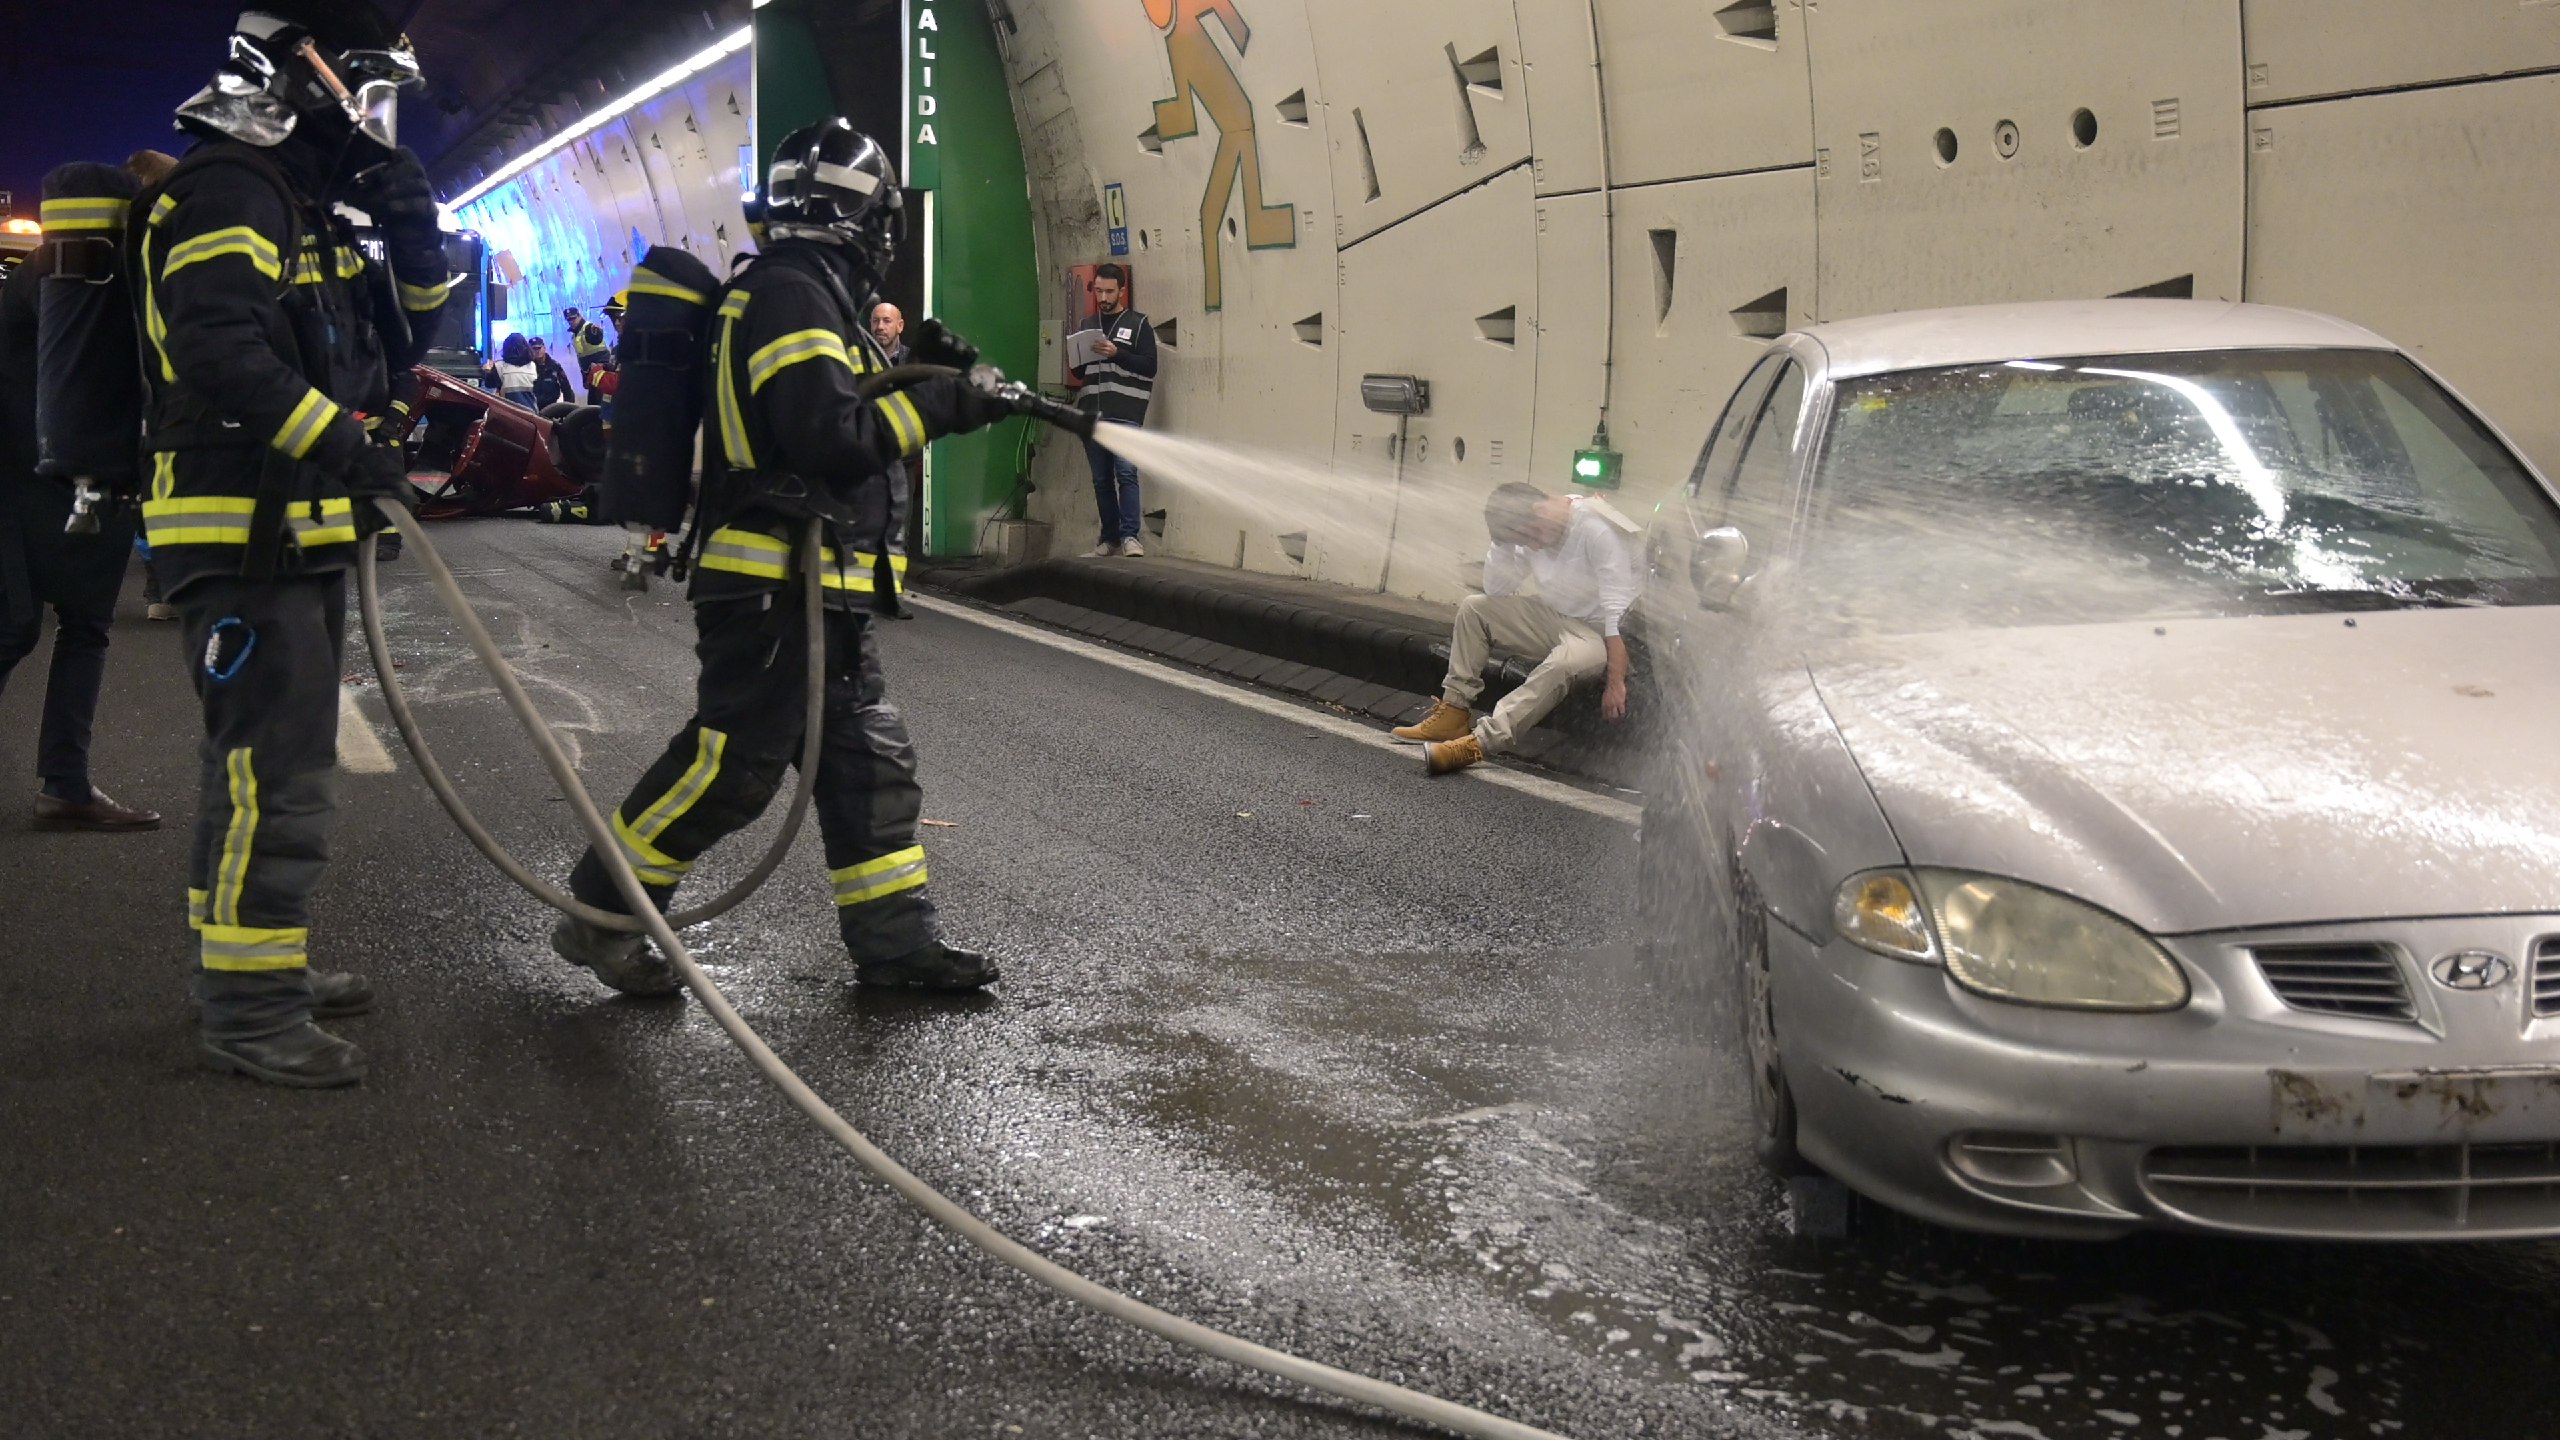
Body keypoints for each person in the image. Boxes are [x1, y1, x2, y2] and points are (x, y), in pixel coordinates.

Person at [550, 119, 1013, 997]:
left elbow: (828, 410)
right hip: (774, 588)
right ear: (866, 220)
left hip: (818, 590)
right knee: (732, 768)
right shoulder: (792, 294)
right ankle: (601, 912)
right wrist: (947, 408)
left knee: (867, 764)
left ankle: (895, 943)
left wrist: (920, 372)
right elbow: (826, 437)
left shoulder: (805, 293)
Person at [137, 2, 449, 1087]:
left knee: (263, 768)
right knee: (273, 772)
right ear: (304, 74)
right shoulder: (231, 187)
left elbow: (402, 341)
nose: (370, 115)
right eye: (365, 89)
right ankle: (249, 1007)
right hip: (241, 529)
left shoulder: (302, 200)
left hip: (292, 526)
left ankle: (245, 960)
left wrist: (414, 229)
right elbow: (217, 346)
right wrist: (344, 443)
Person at [0, 154, 167, 831]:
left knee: (77, 627)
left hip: (75, 475)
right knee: (22, 627)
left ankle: (66, 786)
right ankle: (65, 785)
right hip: (27, 474)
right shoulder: (73, 273)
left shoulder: (99, 276)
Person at [1393, 482, 1640, 775]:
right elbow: (1497, 589)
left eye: (1530, 536)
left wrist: (1616, 682)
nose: (1532, 546)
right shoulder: (1531, 530)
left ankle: (1480, 742)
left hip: (1597, 631)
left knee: (1566, 662)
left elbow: (1617, 614)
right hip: (1552, 614)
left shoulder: (1597, 529)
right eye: (1523, 541)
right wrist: (1503, 542)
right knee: (1475, 608)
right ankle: (1454, 712)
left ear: (1540, 510)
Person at [1069, 263, 1155, 557]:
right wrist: (1075, 354)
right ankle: (1110, 538)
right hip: (1092, 414)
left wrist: (1117, 354)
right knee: (1101, 480)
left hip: (1126, 412)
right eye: (1099, 291)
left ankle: (1131, 536)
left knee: (1126, 473)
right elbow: (1079, 373)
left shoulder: (1139, 324)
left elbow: (1150, 366)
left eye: (1109, 291)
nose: (1103, 298)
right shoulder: (1087, 325)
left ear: (1121, 290)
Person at [867, 300, 917, 616]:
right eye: (876, 321)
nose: (880, 327)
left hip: (902, 458)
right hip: (867, 458)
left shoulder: (913, 363)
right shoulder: (860, 358)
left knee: (898, 528)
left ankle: (893, 595)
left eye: (887, 321)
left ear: (899, 326)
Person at [486, 331, 536, 407]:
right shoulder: (532, 365)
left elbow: (489, 385)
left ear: (506, 348)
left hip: (509, 412)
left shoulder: (499, 367)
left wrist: (488, 371)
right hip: (530, 411)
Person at [527, 336, 570, 408]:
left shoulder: (554, 366)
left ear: (544, 348)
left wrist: (568, 409)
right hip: (533, 407)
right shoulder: (527, 368)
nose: (537, 351)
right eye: (534, 349)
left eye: (539, 348)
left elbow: (567, 389)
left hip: (551, 408)